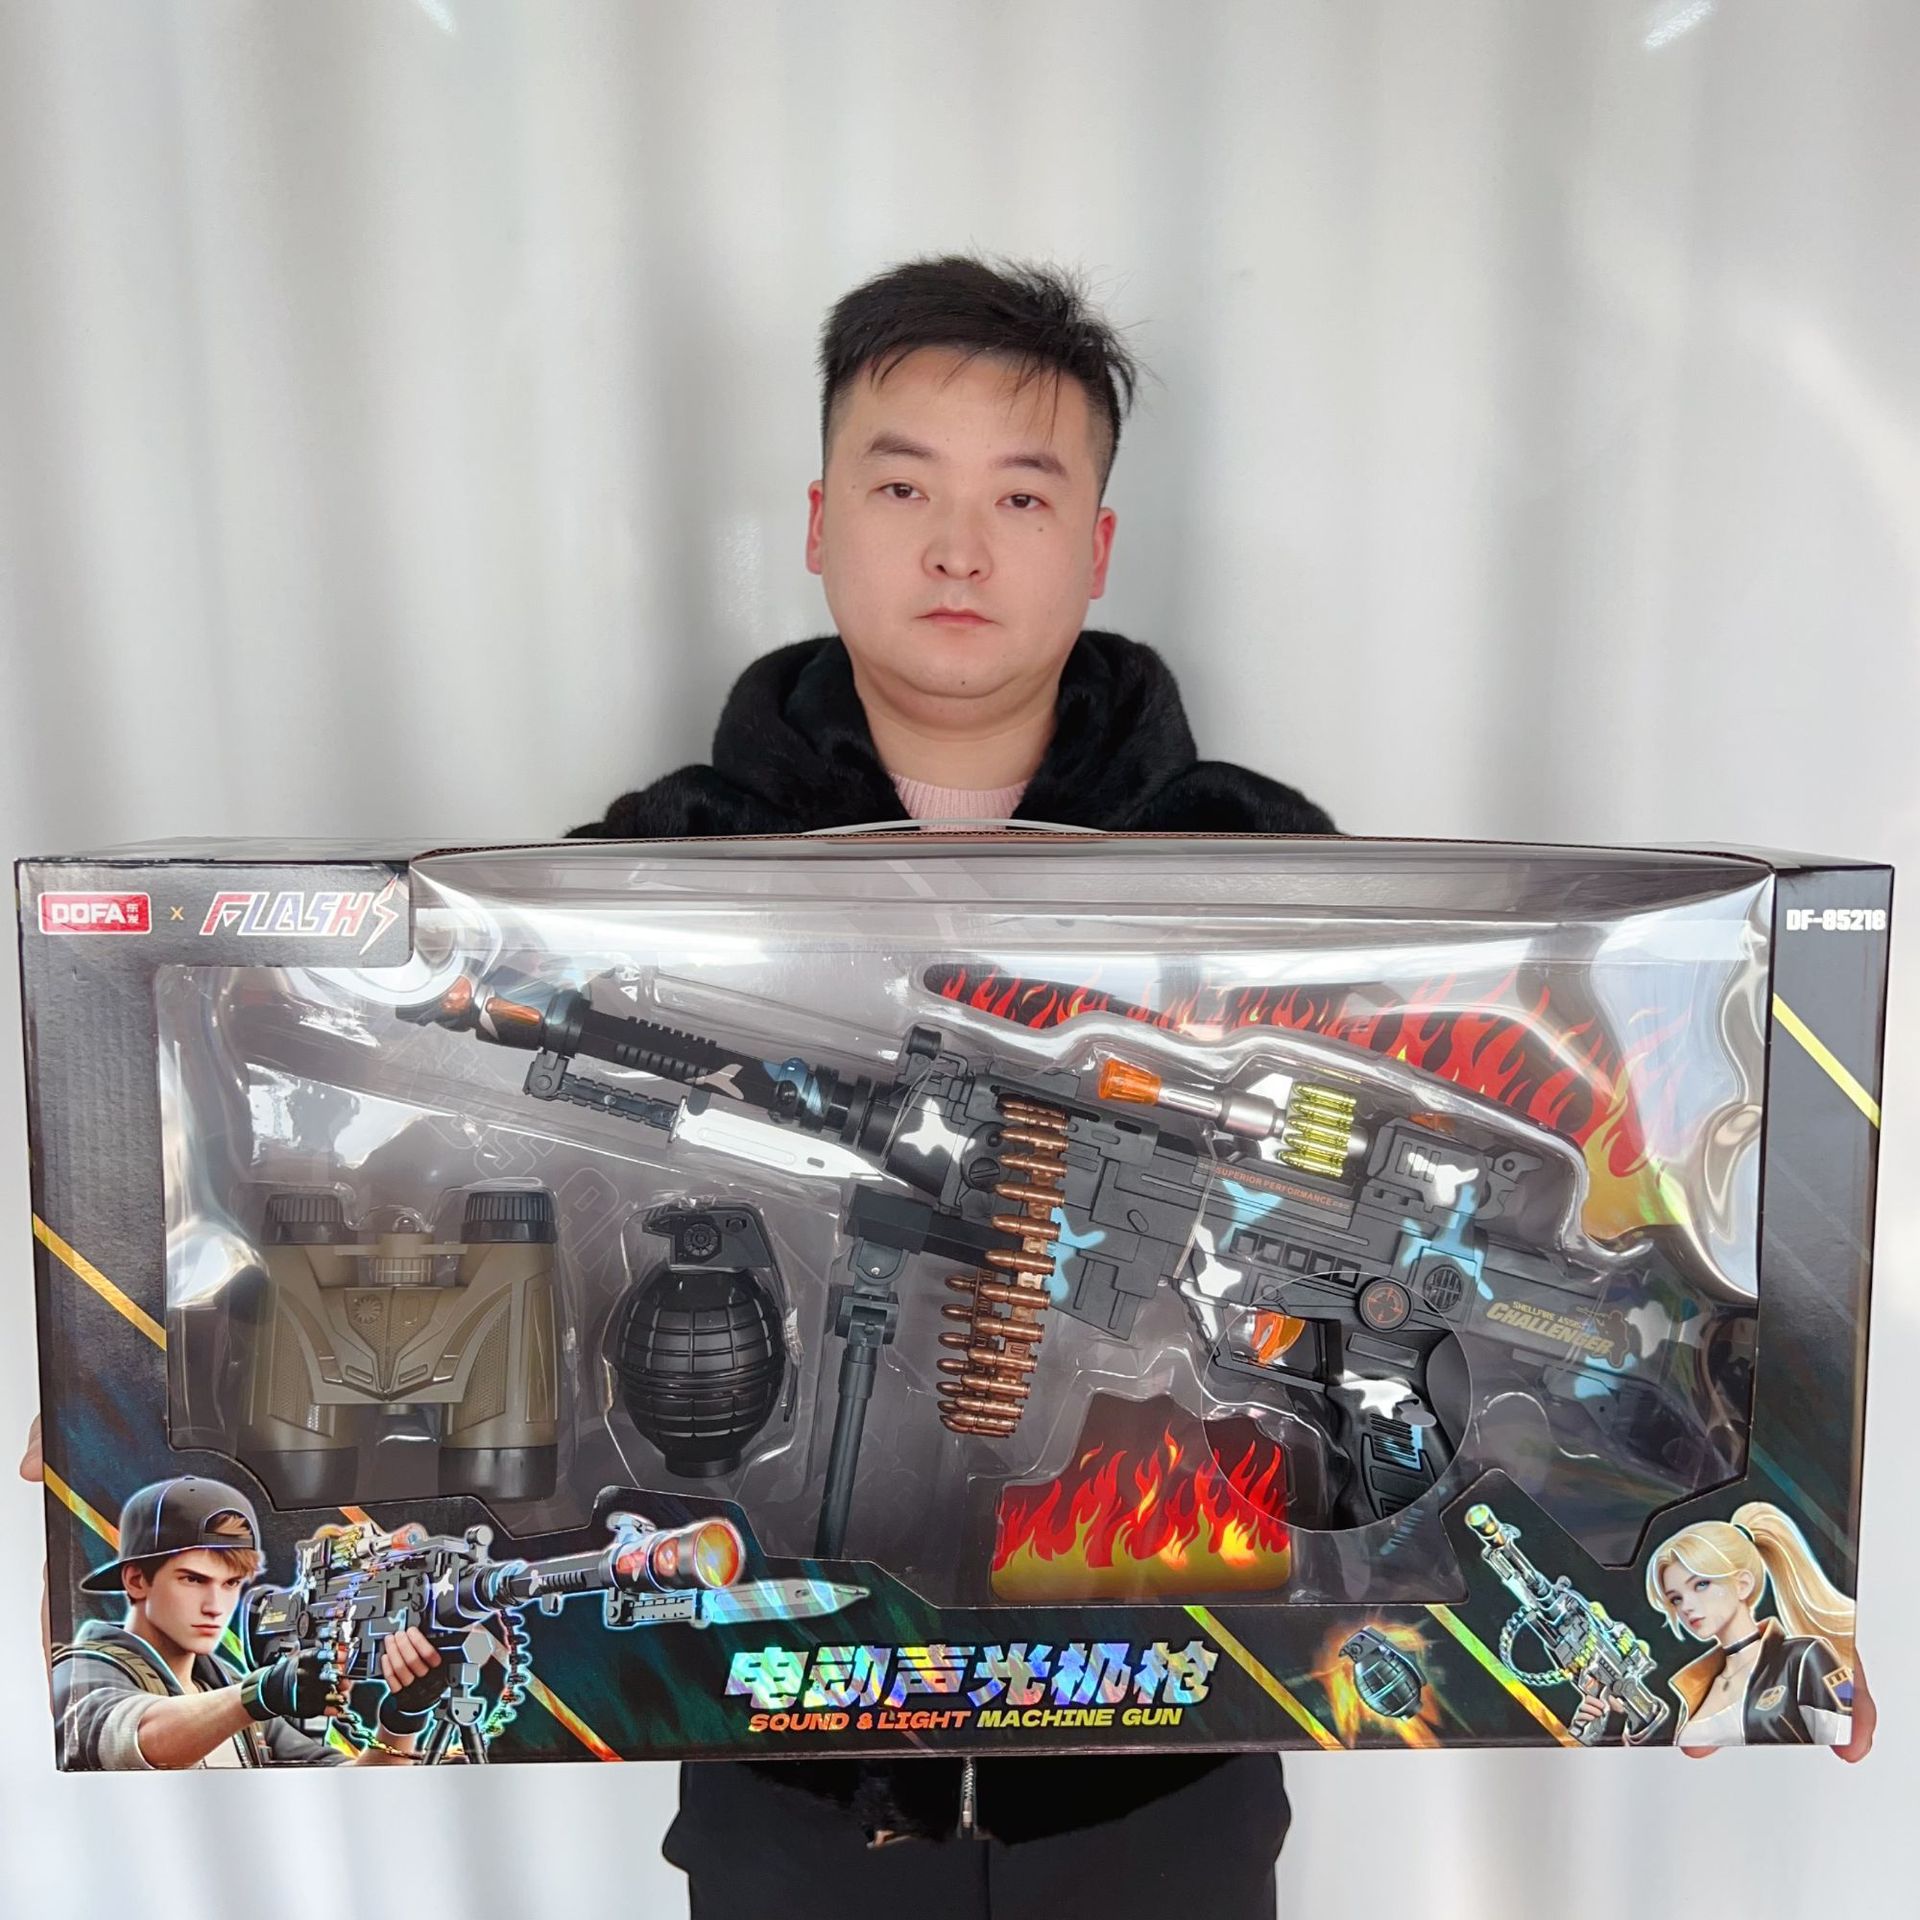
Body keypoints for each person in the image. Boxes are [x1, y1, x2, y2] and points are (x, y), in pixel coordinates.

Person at [46, 1473, 447, 1769]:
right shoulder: (81, 1671)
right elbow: (136, 1740)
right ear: (137, 1581)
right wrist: (261, 1694)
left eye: (231, 1583)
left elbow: (353, 1795)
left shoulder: (227, 1690)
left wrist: (402, 1719)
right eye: (193, 1580)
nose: (215, 1605)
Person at [1574, 1501, 1856, 1750]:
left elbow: (1844, 1756)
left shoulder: (1803, 1659)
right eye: (1676, 1598)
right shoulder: (1692, 1692)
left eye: (1701, 1584)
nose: (1686, 1606)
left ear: (1742, 1584)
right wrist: (1612, 1724)